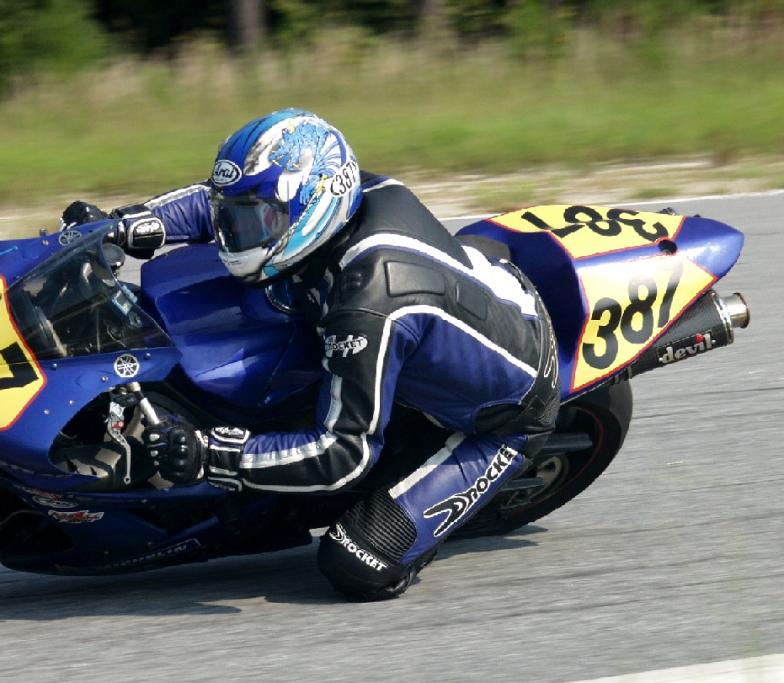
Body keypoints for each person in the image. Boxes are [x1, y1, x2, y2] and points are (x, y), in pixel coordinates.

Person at [60, 108, 560, 601]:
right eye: (237, 220)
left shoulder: (367, 304)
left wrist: (215, 455)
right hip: (467, 299)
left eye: (256, 222)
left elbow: (343, 453)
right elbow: (215, 202)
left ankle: (410, 519)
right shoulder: (344, 192)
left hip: (501, 416)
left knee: (355, 562)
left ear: (313, 210)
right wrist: (125, 225)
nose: (236, 234)